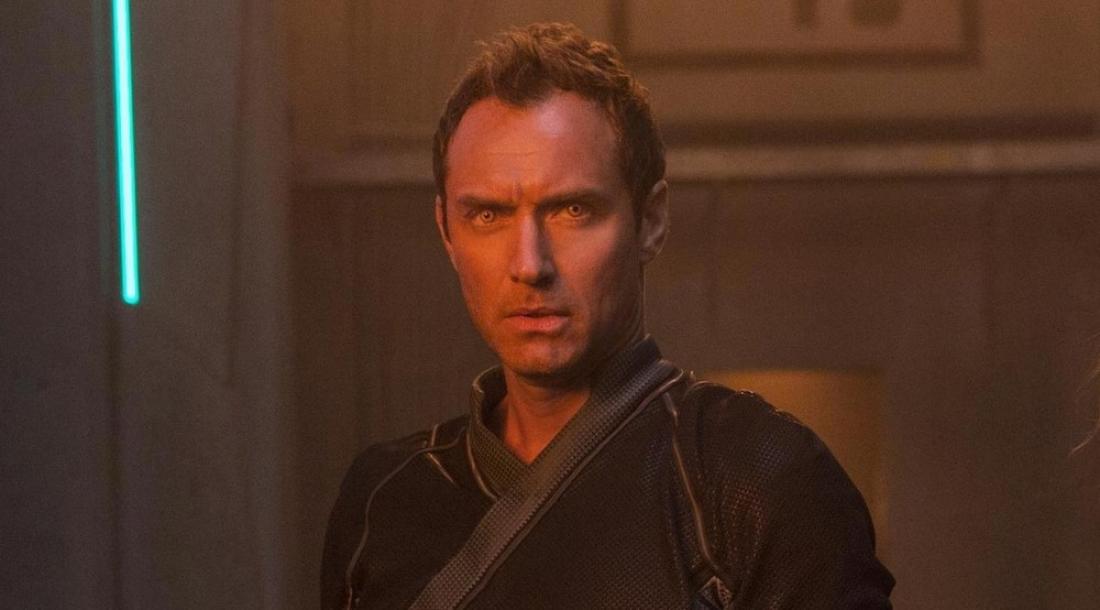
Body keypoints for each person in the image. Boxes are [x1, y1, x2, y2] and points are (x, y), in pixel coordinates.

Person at [322, 22, 894, 609]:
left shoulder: (754, 479)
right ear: (446, 230)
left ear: (651, 221)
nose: (529, 264)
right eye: (488, 216)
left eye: (573, 210)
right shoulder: (385, 499)